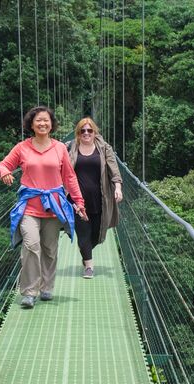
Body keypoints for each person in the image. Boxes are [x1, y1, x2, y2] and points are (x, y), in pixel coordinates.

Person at [0, 106, 87, 308]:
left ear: (51, 124)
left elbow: (69, 177)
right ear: (31, 124)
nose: (42, 124)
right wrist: (4, 172)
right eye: (38, 120)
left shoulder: (59, 148)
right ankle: (29, 291)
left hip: (53, 206)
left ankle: (47, 287)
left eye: (46, 120)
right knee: (31, 245)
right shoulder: (22, 148)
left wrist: (79, 203)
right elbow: (3, 165)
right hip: (29, 205)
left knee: (49, 249)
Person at [66, 117, 123, 279]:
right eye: (82, 130)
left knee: (97, 234)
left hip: (100, 199)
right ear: (78, 133)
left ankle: (85, 249)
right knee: (83, 233)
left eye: (89, 130)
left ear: (94, 132)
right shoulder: (70, 147)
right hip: (77, 200)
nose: (86, 133)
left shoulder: (104, 148)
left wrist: (118, 187)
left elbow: (114, 169)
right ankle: (89, 266)